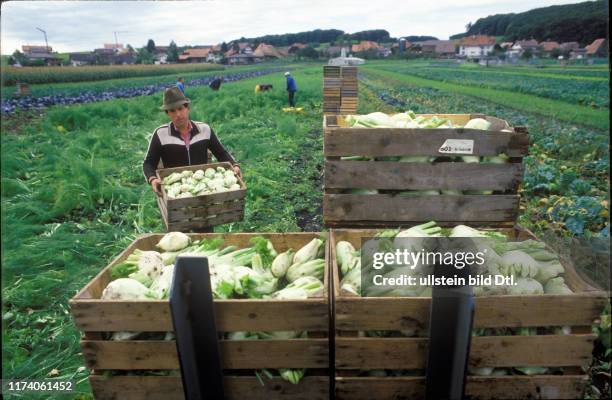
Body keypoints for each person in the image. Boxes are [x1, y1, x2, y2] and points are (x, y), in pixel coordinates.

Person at [143, 87, 241, 197]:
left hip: (203, 187)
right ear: (167, 113)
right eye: (172, 111)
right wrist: (152, 178)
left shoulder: (204, 129)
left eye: (180, 109)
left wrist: (234, 165)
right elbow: (149, 163)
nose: (178, 114)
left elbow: (221, 153)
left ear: (187, 108)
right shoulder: (160, 134)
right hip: (176, 190)